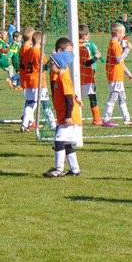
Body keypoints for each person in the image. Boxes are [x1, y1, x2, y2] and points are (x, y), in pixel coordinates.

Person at [42, 37, 83, 178]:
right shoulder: (58, 74)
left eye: (53, 63)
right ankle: (75, 170)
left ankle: (58, 169)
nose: (51, 64)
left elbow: (69, 98)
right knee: (66, 144)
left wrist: (68, 116)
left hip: (68, 115)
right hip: (64, 114)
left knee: (59, 141)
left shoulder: (64, 76)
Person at [20, 31, 55, 132]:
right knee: (45, 104)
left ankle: (24, 124)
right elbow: (44, 67)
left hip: (29, 82)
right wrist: (52, 58)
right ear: (41, 42)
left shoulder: (28, 51)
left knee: (29, 103)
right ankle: (52, 125)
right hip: (39, 83)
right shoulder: (39, 53)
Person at [102, 23, 132, 127]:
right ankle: (106, 119)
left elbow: (120, 62)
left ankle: (127, 119)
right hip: (115, 76)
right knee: (113, 97)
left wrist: (128, 73)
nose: (124, 35)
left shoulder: (115, 43)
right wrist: (128, 49)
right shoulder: (115, 44)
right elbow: (118, 60)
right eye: (123, 32)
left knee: (122, 97)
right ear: (118, 33)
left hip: (118, 75)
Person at [79, 25, 103, 125]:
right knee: (92, 97)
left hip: (78, 77)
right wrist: (96, 57)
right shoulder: (83, 48)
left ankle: (76, 117)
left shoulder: (74, 46)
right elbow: (87, 63)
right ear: (84, 36)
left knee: (78, 98)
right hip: (86, 78)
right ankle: (97, 119)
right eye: (87, 34)